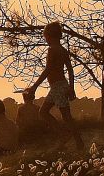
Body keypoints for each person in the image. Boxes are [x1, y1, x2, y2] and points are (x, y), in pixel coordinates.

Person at [24, 22, 86, 150]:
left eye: (45, 37)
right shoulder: (63, 50)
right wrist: (71, 87)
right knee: (44, 112)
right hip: (60, 86)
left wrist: (35, 86)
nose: (45, 39)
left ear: (49, 36)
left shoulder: (52, 50)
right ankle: (66, 134)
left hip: (58, 87)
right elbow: (70, 69)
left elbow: (48, 69)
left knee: (66, 116)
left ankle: (77, 140)